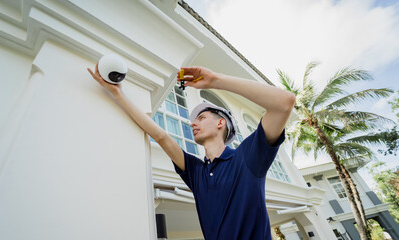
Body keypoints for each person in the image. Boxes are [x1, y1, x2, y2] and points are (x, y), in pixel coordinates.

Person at [87, 64, 295, 240]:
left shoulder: (247, 157)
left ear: (221, 123)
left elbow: (284, 103)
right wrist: (117, 94)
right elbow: (161, 136)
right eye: (194, 120)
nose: (193, 123)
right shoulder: (197, 172)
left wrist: (214, 80)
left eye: (201, 118)